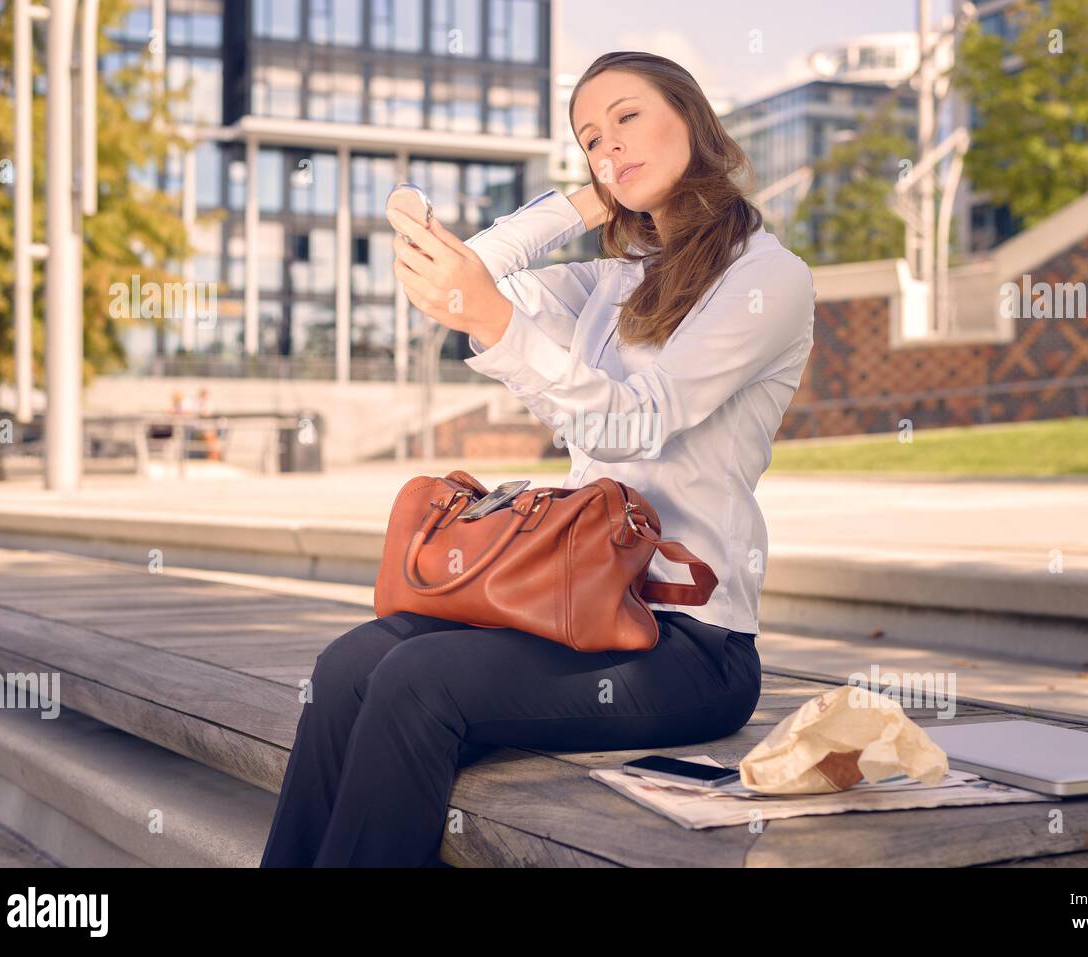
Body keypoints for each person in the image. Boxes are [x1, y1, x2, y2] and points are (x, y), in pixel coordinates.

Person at [259, 51, 817, 868]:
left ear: (692, 119)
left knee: (421, 680)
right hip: (582, 608)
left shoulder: (768, 279)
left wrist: (503, 327)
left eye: (626, 118)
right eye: (590, 137)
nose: (609, 145)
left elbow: (640, 421)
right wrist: (580, 202)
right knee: (350, 664)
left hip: (691, 648)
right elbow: (469, 281)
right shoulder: (617, 279)